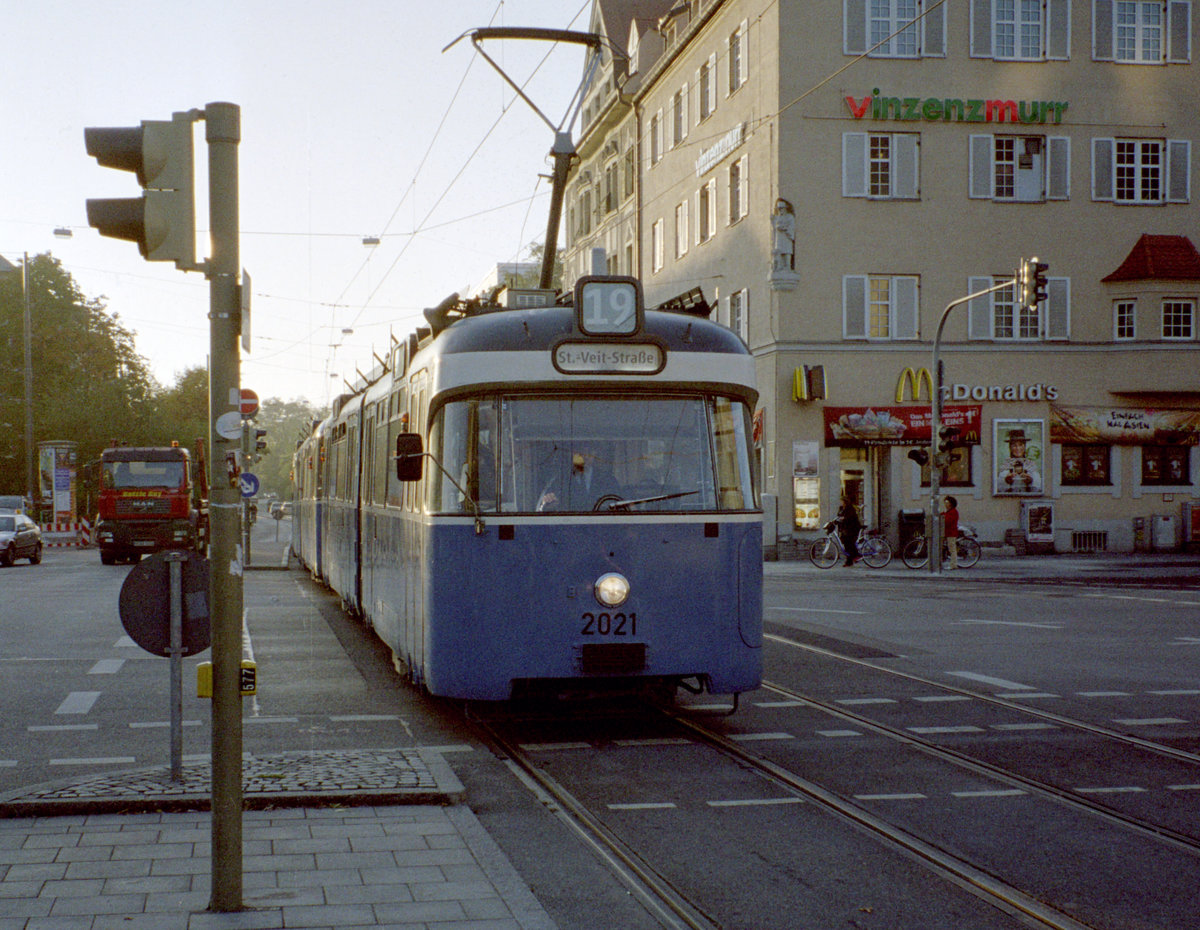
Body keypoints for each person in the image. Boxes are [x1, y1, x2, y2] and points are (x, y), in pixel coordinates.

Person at [536, 443, 622, 511]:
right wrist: (549, 503)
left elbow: (620, 507)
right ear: (573, 454)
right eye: (580, 452)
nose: (585, 456)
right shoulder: (560, 480)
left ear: (595, 454)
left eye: (589, 452)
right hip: (568, 530)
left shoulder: (608, 479)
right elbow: (543, 507)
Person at [836, 497, 861, 567]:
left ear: (845, 502)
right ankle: (849, 561)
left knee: (849, 542)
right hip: (845, 528)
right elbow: (838, 515)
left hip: (852, 527)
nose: (840, 502)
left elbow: (850, 517)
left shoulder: (850, 508)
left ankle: (856, 555)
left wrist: (844, 518)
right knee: (845, 543)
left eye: (842, 501)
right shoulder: (841, 508)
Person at [943, 495, 960, 570]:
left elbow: (947, 521)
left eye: (947, 503)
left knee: (952, 549)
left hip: (951, 533)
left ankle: (954, 565)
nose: (946, 504)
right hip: (948, 533)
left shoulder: (953, 512)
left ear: (951, 504)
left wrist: (942, 518)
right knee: (950, 548)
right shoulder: (949, 511)